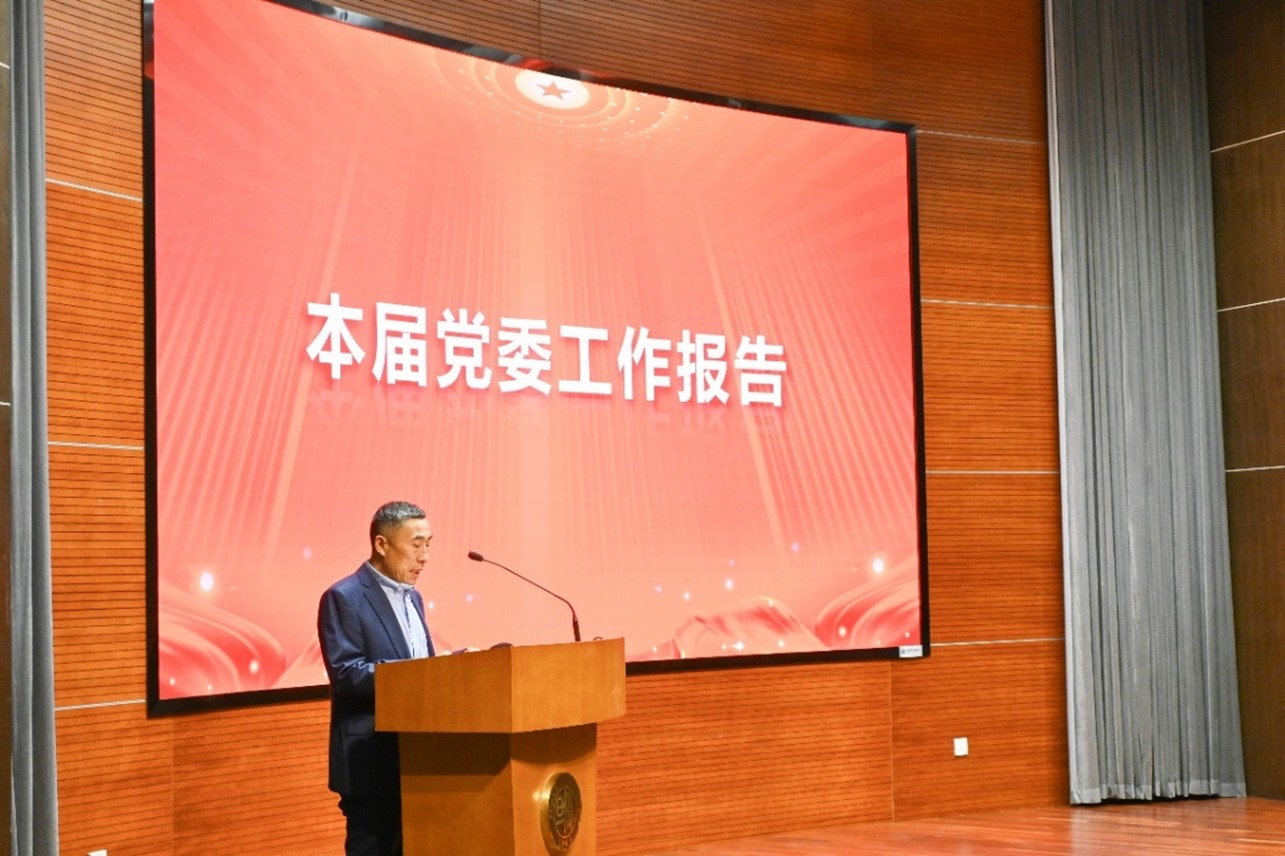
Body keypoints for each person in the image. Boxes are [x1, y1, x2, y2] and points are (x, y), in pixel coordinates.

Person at [318, 501, 436, 856]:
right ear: (381, 544)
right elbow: (347, 674)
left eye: (428, 544)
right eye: (416, 544)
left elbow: (421, 665)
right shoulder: (344, 597)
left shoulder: (414, 599)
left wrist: (450, 666)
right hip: (370, 760)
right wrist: (417, 673)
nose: (425, 556)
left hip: (417, 756)